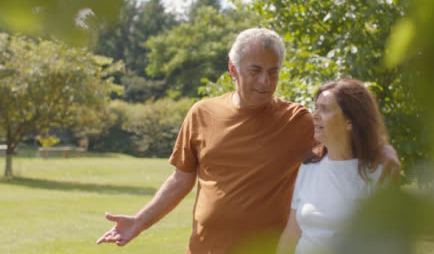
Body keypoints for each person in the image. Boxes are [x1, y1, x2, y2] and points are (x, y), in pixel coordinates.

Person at [96, 28, 400, 253]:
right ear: (233, 70)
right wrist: (139, 221)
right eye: (255, 71)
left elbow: (348, 130)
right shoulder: (202, 113)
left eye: (273, 72)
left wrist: (385, 149)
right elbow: (180, 179)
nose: (265, 81)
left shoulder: (298, 120)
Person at [276, 78, 393, 254]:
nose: (315, 115)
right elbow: (291, 234)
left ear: (349, 122)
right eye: (316, 107)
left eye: (325, 109)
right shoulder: (308, 168)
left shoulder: (377, 172)